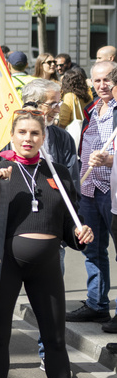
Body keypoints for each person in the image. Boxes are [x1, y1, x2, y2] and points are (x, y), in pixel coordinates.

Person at [0, 110, 96, 378]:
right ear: (12, 135)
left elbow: (69, 229)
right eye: (22, 132)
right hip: (6, 263)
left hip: (46, 267)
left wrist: (81, 234)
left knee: (56, 339)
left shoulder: (57, 174)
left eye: (35, 133)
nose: (28, 138)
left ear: (44, 137)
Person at [71, 61, 117, 325]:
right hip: (89, 188)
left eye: (108, 80)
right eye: (97, 81)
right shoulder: (90, 109)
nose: (102, 85)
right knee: (93, 249)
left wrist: (112, 162)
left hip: (113, 191)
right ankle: (97, 303)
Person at [57, 66, 91, 135]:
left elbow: (64, 120)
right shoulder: (88, 95)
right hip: (86, 131)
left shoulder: (69, 96)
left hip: (71, 133)